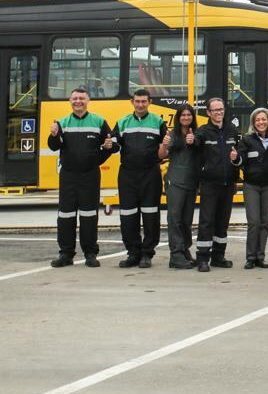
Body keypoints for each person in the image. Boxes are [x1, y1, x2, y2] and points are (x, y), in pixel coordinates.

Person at [47, 88, 113, 268]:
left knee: (89, 216)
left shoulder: (99, 121)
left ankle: (90, 254)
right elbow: (53, 146)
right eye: (75, 98)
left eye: (81, 98)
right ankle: (66, 255)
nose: (78, 101)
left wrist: (99, 156)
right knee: (65, 216)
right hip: (68, 176)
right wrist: (54, 134)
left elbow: (111, 146)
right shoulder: (62, 123)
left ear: (88, 100)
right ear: (70, 100)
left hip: (90, 176)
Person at [109, 88, 167, 269]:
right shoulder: (122, 122)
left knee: (151, 214)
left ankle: (147, 254)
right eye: (137, 101)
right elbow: (114, 144)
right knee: (128, 215)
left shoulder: (158, 122)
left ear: (150, 102)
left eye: (144, 101)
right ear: (132, 102)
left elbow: (165, 148)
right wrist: (110, 144)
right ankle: (133, 253)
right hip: (127, 175)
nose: (140, 104)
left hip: (151, 174)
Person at [194, 97, 241, 272]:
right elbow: (196, 146)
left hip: (228, 183)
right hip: (209, 184)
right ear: (208, 113)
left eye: (221, 109)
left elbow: (238, 152)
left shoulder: (232, 130)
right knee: (207, 221)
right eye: (215, 110)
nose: (219, 112)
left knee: (223, 221)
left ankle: (218, 256)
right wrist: (192, 140)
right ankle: (203, 258)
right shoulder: (203, 131)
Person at [238, 108, 268, 269]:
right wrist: (235, 158)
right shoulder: (247, 140)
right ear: (253, 123)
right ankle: (250, 257)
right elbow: (240, 160)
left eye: (264, 119)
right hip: (251, 185)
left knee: (264, 223)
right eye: (257, 120)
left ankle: (260, 257)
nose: (261, 122)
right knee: (254, 222)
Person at [159, 103, 201, 269]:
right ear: (178, 117)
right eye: (183, 115)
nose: (186, 118)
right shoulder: (173, 134)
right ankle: (175, 255)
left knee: (186, 220)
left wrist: (194, 140)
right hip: (175, 182)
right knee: (175, 219)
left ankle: (184, 250)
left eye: (189, 115)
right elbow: (161, 155)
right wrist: (163, 144)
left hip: (191, 183)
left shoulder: (197, 134)